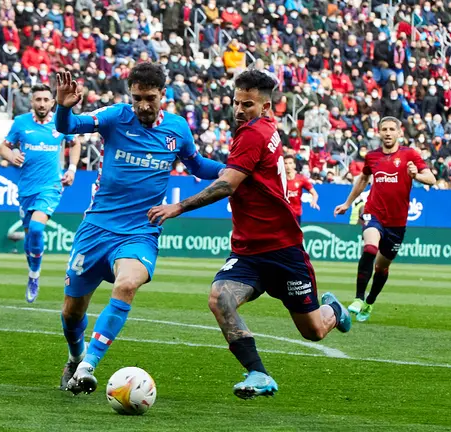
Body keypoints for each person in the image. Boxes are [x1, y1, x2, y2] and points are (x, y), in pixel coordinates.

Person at [148, 69, 351, 399]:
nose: (240, 109)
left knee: (314, 331)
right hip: (248, 251)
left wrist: (178, 207)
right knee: (220, 298)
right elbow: (237, 172)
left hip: (283, 249)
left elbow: (228, 184)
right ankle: (259, 373)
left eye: (249, 105)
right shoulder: (258, 129)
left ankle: (334, 311)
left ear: (267, 107)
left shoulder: (253, 134)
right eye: (236, 102)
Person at [53, 65, 225, 395]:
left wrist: (235, 169)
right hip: (96, 228)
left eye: (149, 98)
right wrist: (63, 106)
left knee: (128, 284)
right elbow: (69, 127)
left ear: (163, 95)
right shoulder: (115, 117)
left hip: (139, 231)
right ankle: (76, 356)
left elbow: (198, 166)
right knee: (71, 312)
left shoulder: (177, 129)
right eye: (137, 98)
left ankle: (89, 366)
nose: (143, 105)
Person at [334, 117, 435, 322]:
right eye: (384, 129)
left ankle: (369, 302)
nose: (388, 133)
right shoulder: (372, 157)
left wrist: (417, 176)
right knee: (370, 248)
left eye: (391, 129)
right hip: (374, 213)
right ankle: (358, 298)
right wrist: (347, 203)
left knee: (381, 267)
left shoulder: (410, 155)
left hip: (397, 222)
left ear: (400, 132)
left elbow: (431, 179)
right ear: (378, 132)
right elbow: (363, 179)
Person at [0, 84, 81, 303]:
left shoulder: (61, 122)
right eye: (38, 99)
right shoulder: (21, 123)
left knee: (36, 227)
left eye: (46, 99)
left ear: (53, 102)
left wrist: (71, 169)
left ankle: (35, 275)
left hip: (51, 186)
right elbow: (3, 147)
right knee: (29, 237)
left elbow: (75, 143)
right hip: (26, 188)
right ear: (32, 102)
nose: (42, 103)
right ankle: (33, 273)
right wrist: (11, 156)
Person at [284, 154, 319, 225]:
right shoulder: (280, 180)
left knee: (295, 235)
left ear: (294, 165)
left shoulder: (301, 179)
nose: (288, 166)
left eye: (290, 163)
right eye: (285, 163)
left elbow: (315, 194)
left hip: (296, 214)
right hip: (283, 214)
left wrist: (314, 201)